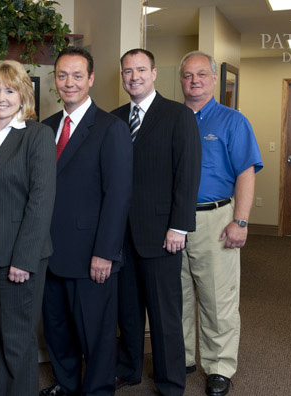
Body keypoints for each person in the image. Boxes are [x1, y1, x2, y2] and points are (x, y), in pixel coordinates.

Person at [39, 47, 133, 396]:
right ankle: (65, 385)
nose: (69, 82)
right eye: (62, 75)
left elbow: (118, 196)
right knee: (57, 329)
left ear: (90, 79)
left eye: (78, 75)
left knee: (95, 334)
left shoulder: (111, 128)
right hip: (49, 254)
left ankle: (96, 391)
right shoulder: (45, 129)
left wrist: (106, 252)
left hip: (91, 255)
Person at [112, 48, 201, 396]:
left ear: (154, 73)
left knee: (165, 315)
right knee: (128, 310)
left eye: (140, 70)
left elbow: (187, 175)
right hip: (121, 235)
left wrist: (179, 226)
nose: (133, 76)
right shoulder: (115, 118)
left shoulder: (178, 116)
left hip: (163, 234)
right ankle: (129, 369)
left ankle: (169, 381)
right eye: (127, 71)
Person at [0, 59, 56, 396]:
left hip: (17, 258)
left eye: (10, 90)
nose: (1, 97)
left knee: (16, 341)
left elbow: (41, 201)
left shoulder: (37, 136)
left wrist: (24, 259)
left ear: (23, 96)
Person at [178, 51, 263, 396]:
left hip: (215, 219)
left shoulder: (232, 121)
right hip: (173, 223)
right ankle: (179, 358)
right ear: (180, 80)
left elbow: (245, 172)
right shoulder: (171, 118)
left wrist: (240, 221)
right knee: (176, 297)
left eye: (201, 74)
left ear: (213, 79)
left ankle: (219, 366)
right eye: (187, 75)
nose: (194, 80)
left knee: (217, 299)